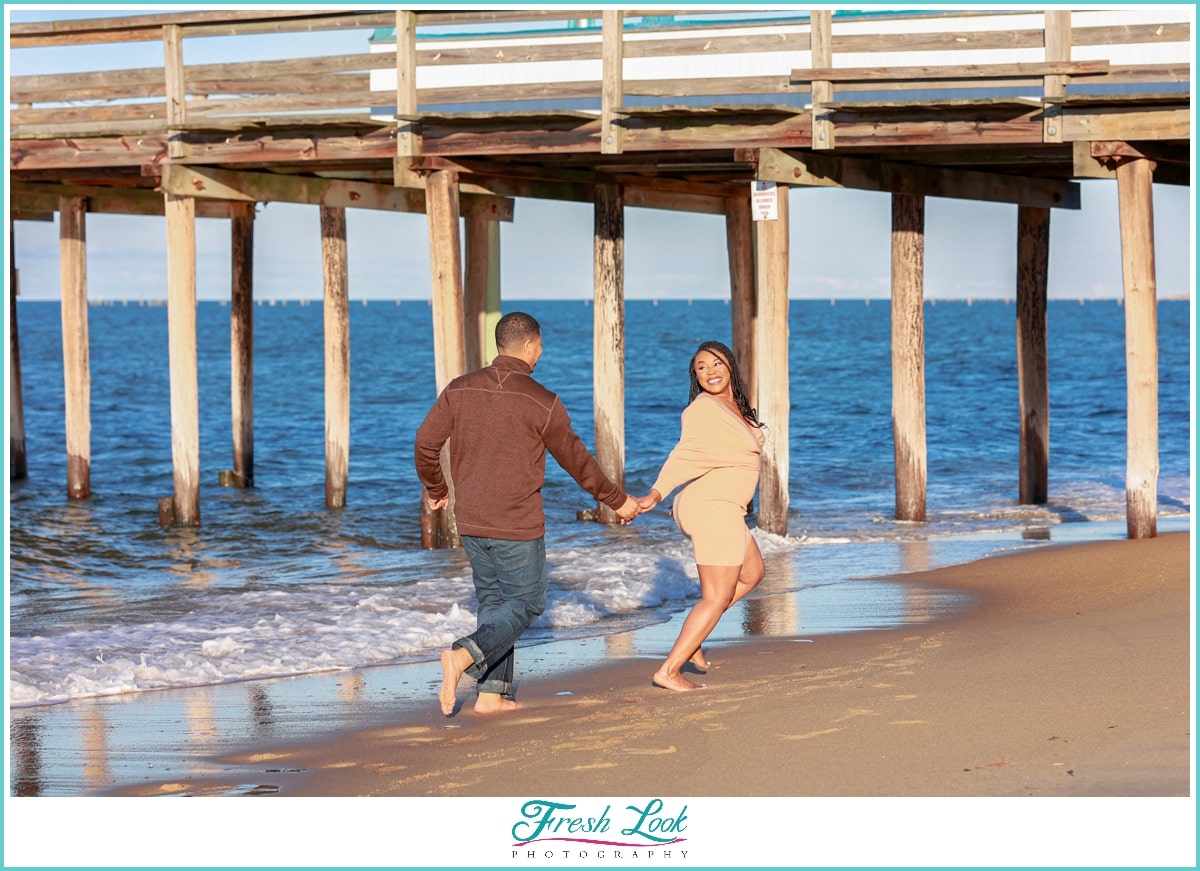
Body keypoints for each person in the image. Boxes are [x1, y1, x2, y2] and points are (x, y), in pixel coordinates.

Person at [415, 311, 641, 716]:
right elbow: (578, 463)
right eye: (539, 347)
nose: (541, 352)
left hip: (470, 520)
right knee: (529, 602)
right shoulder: (543, 401)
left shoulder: (458, 389)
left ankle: (490, 695)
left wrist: (437, 488)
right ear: (530, 346)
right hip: (516, 523)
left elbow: (425, 444)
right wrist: (616, 499)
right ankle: (463, 656)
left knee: (494, 602)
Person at [636, 340, 766, 692]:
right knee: (716, 596)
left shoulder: (733, 406)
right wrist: (656, 492)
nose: (709, 372)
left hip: (724, 507)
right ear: (695, 377)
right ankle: (669, 670)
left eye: (715, 364)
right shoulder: (702, 409)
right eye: (701, 368)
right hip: (713, 508)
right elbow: (685, 454)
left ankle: (693, 641)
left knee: (753, 573)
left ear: (730, 366)